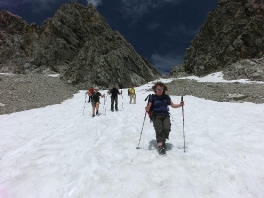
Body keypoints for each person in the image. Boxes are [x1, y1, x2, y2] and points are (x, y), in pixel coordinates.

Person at [145, 82, 184, 155]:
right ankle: (160, 146)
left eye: (161, 89)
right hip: (156, 115)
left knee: (167, 128)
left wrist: (180, 105)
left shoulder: (166, 97)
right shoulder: (152, 97)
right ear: (155, 89)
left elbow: (172, 105)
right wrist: (147, 108)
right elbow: (149, 106)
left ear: (163, 89)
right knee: (159, 129)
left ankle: (163, 141)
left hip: (165, 115)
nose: (160, 90)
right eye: (158, 89)